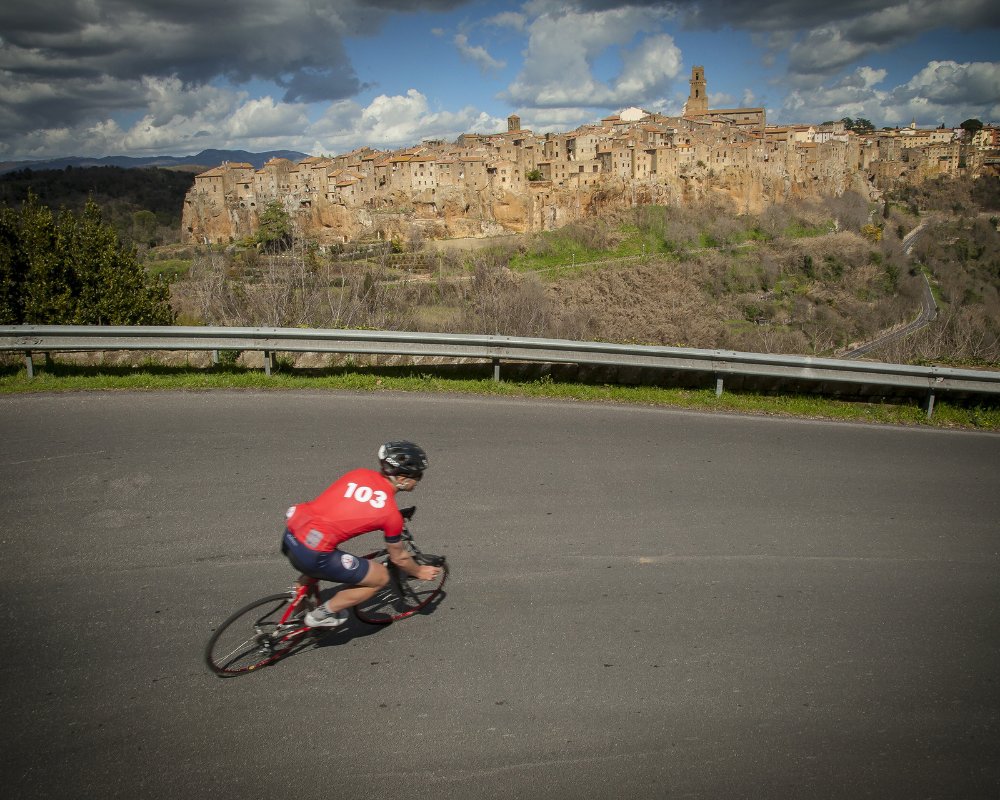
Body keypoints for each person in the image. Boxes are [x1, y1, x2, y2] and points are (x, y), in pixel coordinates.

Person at [281, 441, 441, 628]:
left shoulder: (359, 474)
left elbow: (345, 507)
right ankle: (319, 616)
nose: (419, 480)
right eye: (418, 475)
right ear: (403, 478)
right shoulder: (390, 514)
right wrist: (419, 571)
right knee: (380, 577)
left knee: (320, 547)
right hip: (313, 553)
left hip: (293, 531)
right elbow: (400, 559)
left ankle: (298, 598)